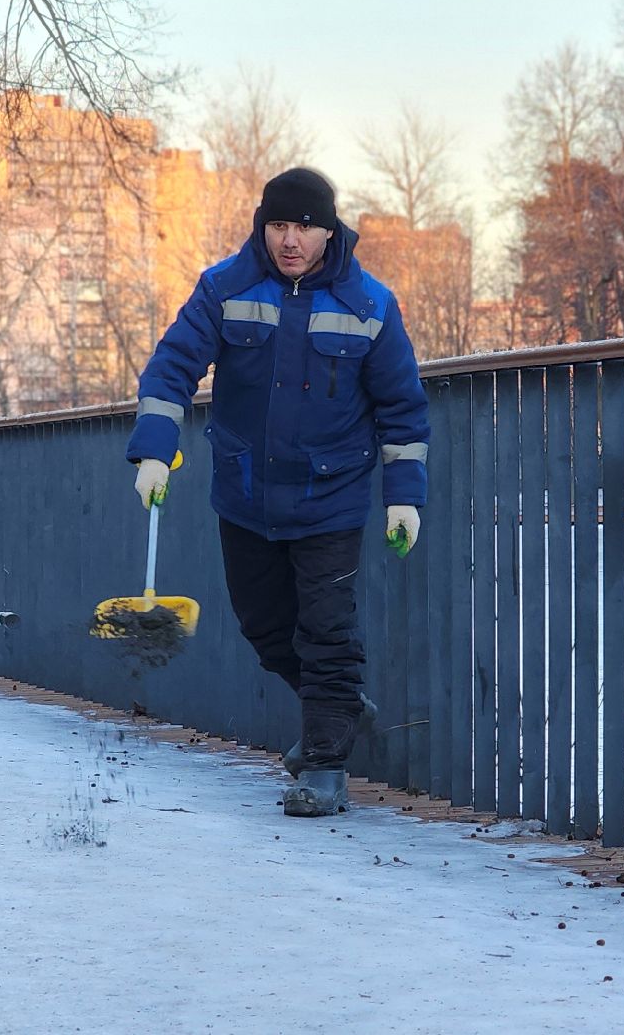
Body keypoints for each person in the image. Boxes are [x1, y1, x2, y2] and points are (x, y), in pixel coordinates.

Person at [124, 166, 429, 817]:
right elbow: (172, 366)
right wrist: (153, 449)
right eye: (279, 225)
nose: (291, 240)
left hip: (332, 496)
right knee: (264, 627)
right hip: (246, 491)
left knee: (326, 632)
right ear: (262, 226)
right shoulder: (225, 287)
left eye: (305, 227)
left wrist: (404, 496)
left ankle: (324, 768)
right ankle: (339, 707)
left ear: (330, 232)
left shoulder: (370, 306)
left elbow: (403, 407)